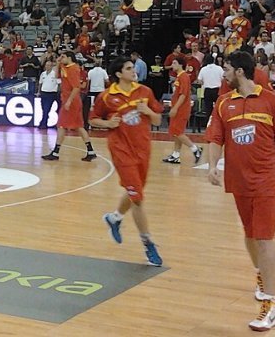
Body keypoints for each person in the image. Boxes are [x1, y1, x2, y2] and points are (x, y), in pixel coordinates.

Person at [206, 51, 275, 331]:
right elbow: (215, 138)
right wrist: (211, 166)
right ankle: (261, 275)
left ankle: (270, 305)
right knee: (249, 235)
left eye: (227, 69)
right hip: (238, 180)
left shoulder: (273, 102)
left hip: (266, 180)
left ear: (240, 72)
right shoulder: (223, 103)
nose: (224, 74)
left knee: (264, 238)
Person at [91, 56, 164, 266]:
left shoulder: (145, 92)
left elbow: (158, 119)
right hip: (121, 151)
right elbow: (93, 119)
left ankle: (114, 218)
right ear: (118, 73)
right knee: (138, 198)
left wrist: (147, 111)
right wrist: (107, 123)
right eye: (130, 68)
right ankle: (148, 243)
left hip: (143, 149)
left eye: (134, 68)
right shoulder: (106, 97)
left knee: (135, 191)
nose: (134, 71)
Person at [42, 51, 95, 161]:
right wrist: (57, 62)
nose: (61, 58)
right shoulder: (64, 66)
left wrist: (69, 101)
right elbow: (56, 76)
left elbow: (76, 87)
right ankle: (91, 151)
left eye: (63, 57)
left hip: (71, 101)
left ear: (70, 58)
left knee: (61, 125)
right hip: (69, 100)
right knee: (79, 127)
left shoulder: (74, 69)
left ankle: (56, 152)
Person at [162, 57, 203, 164]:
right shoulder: (179, 77)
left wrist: (175, 108)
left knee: (178, 132)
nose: (172, 65)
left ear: (181, 65)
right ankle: (176, 155)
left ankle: (195, 149)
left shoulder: (184, 77)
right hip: (178, 108)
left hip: (181, 109)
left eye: (174, 63)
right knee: (176, 132)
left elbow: (183, 95)